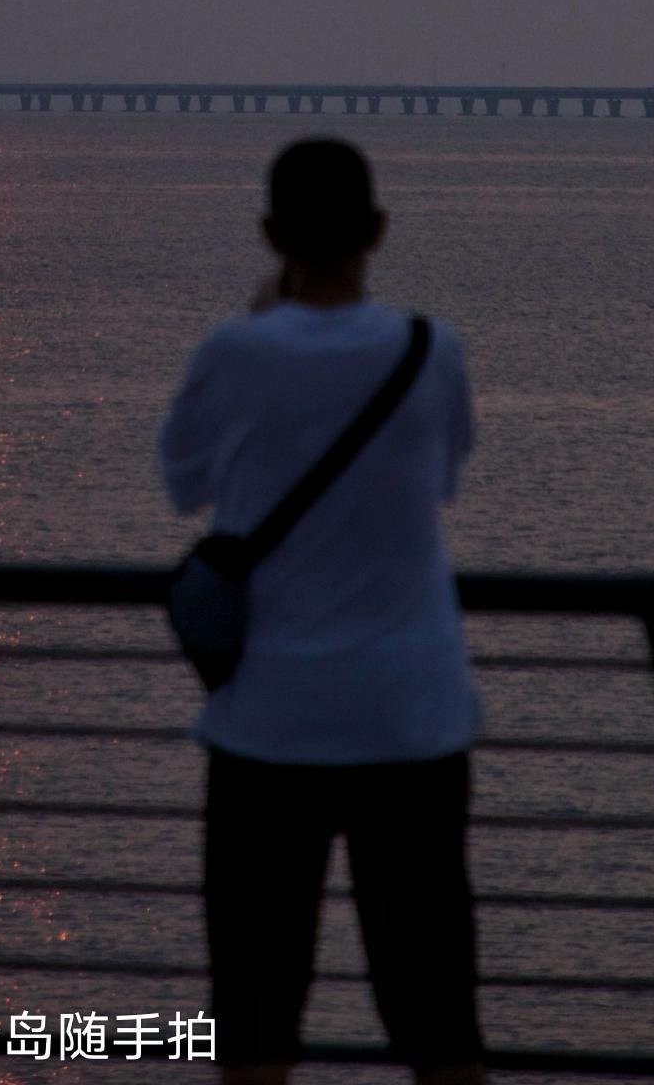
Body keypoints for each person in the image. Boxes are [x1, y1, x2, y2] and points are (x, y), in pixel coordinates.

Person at [158, 137, 485, 1085]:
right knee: (438, 1020)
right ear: (379, 231)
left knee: (257, 1023)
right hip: (412, 722)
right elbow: (446, 478)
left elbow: (182, 485)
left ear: (270, 235)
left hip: (270, 725)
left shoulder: (236, 351)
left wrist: (263, 323)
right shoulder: (432, 352)